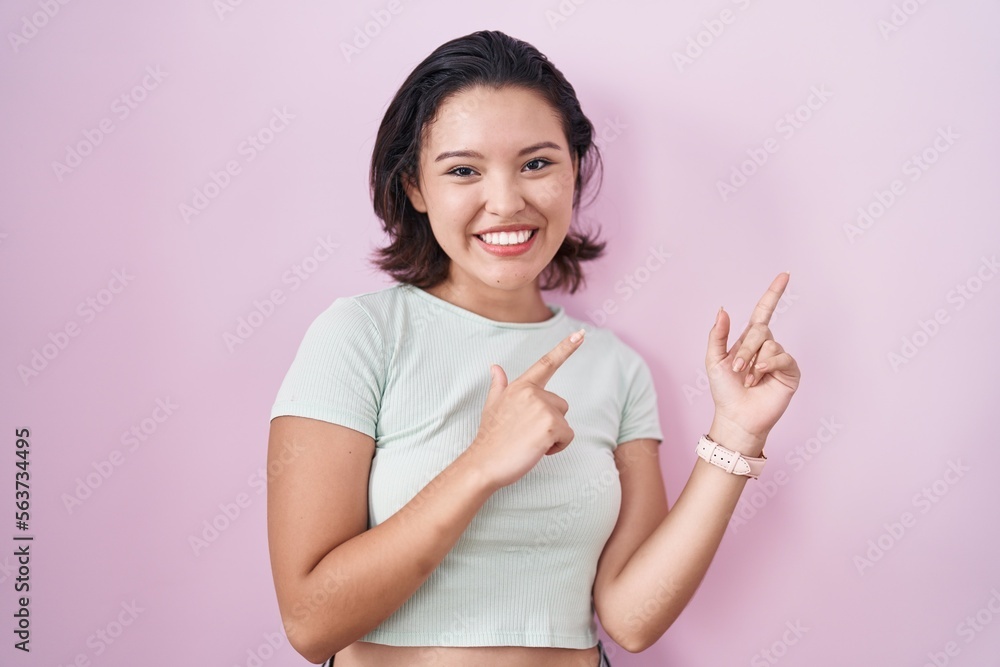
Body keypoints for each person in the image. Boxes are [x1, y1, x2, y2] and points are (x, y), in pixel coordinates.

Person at [266, 30, 800, 667]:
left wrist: (737, 433)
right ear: (414, 187)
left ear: (574, 169)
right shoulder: (359, 336)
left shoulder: (617, 368)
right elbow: (310, 623)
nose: (506, 202)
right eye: (463, 170)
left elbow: (631, 620)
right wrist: (482, 464)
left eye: (537, 164)